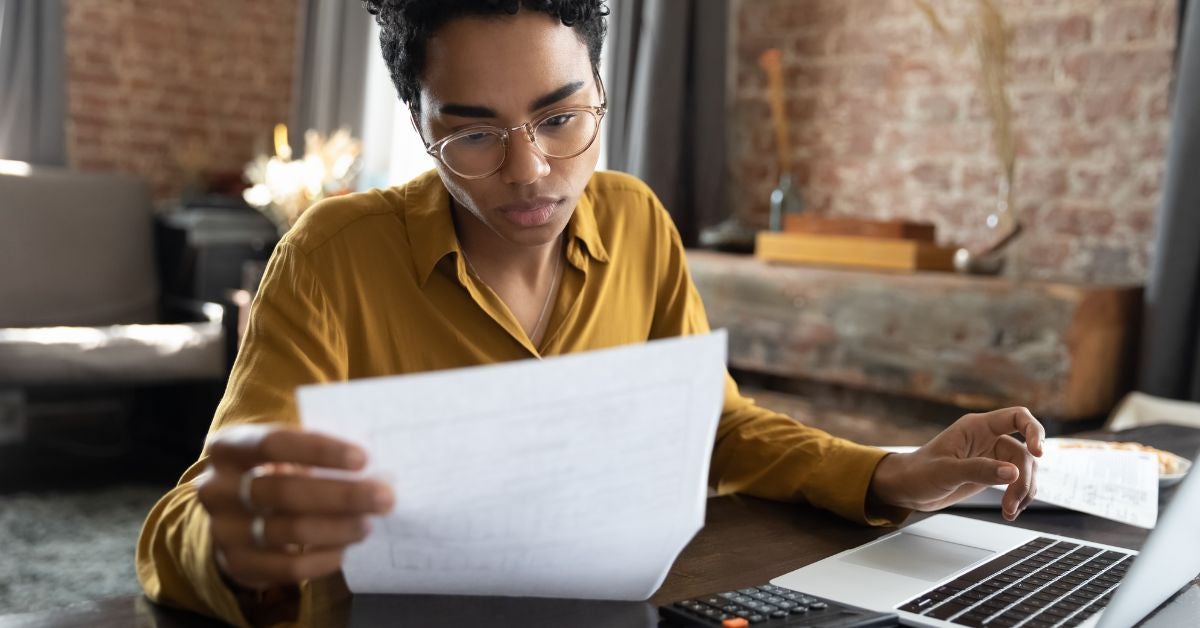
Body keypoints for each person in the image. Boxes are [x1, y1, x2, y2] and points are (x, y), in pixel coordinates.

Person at [136, 1, 1044, 625]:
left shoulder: (638, 222)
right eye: (475, 133)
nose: (531, 171)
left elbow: (717, 430)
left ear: (600, 93)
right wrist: (233, 547)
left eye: (562, 117)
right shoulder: (334, 257)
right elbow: (194, 512)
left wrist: (891, 473)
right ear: (420, 128)